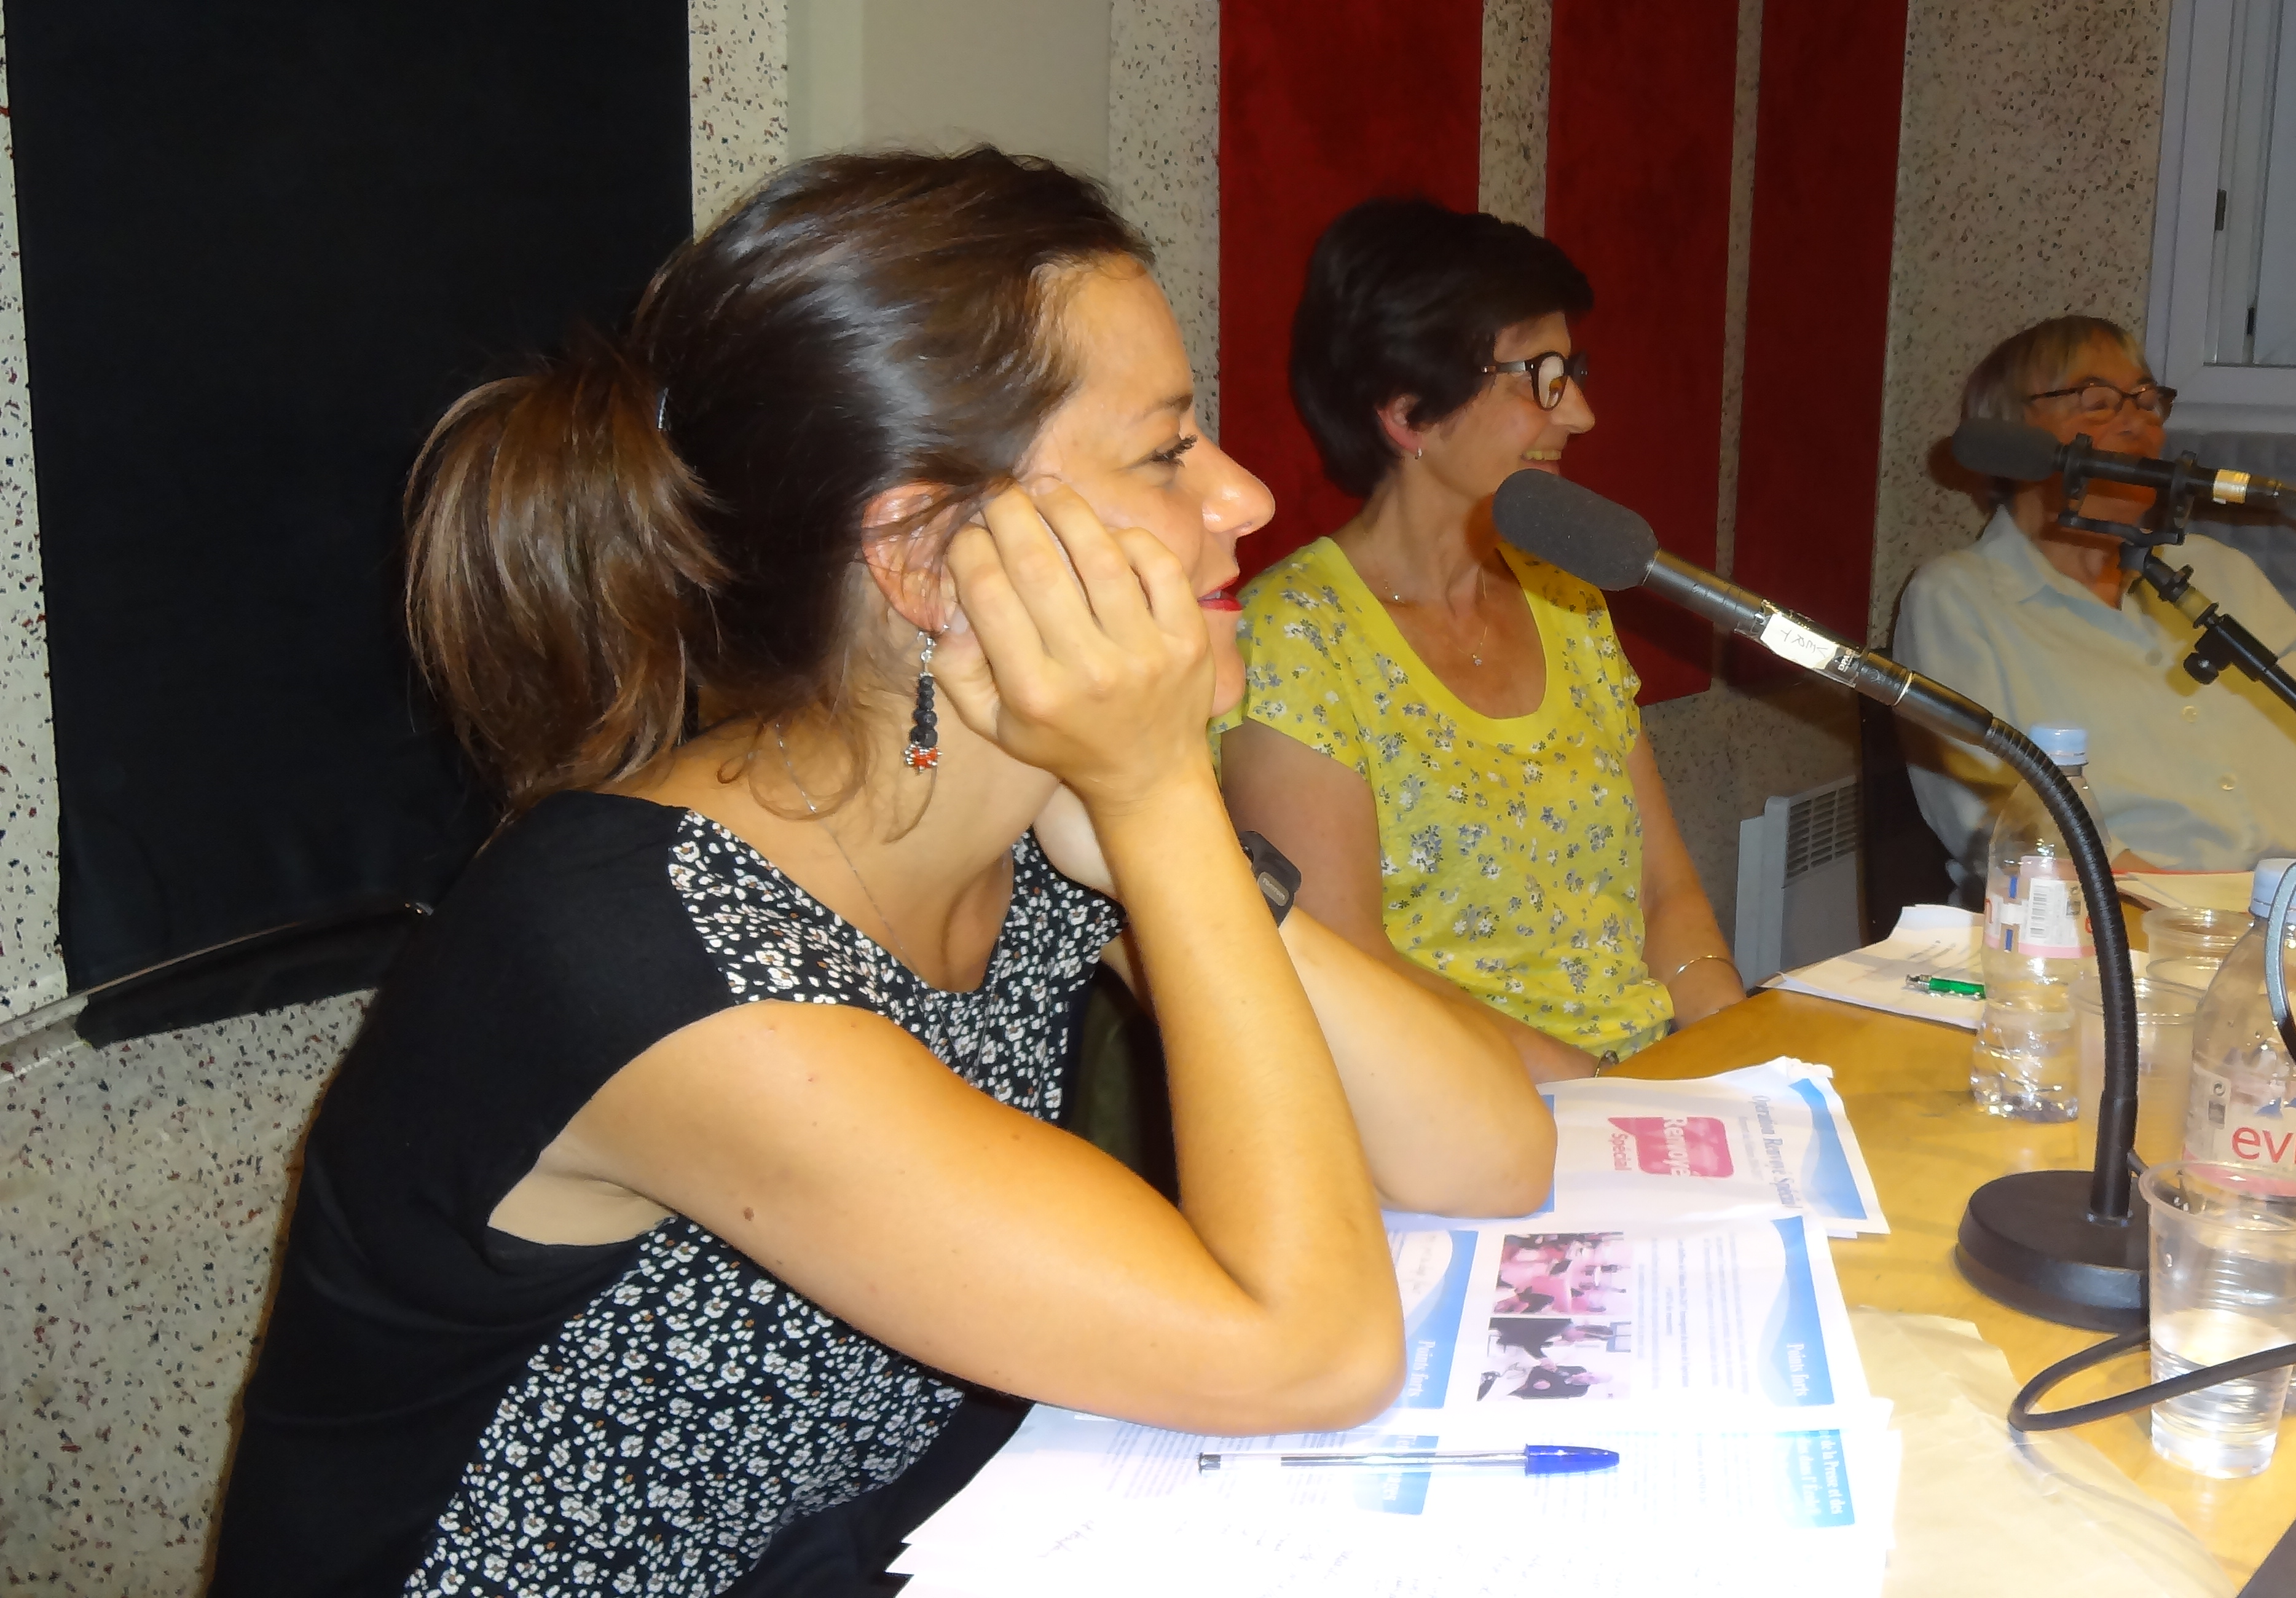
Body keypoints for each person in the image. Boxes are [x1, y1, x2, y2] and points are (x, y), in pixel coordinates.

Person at [212, 151, 1552, 1597]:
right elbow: (1312, 1348)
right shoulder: (636, 950)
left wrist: (1148, 844)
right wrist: (1161, 801)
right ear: (924, 558)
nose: (1244, 495)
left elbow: (1487, 1153)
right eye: (1166, 451)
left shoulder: (1027, 820)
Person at [1221, 198, 1739, 1081]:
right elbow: (1347, 968)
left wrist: (1734, 1059)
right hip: (1464, 1120)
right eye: (1542, 376)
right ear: (1410, 413)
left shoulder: (1566, 596)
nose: (1581, 414)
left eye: (1572, 371)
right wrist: (1608, 1099)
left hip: (1642, 1102)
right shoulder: (1293, 639)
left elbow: (1666, 893)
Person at [1895, 316, 2296, 885]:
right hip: (2105, 924)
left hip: (2295, 914)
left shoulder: (2227, 576)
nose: (2138, 422)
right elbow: (2001, 825)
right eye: (2098, 402)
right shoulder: (1956, 601)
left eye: (2148, 401)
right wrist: (2196, 917)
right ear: (2013, 441)